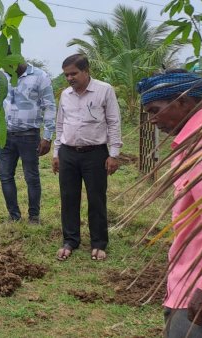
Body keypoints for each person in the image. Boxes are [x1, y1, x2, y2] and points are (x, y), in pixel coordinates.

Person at [137, 70, 202, 337]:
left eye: (155, 110)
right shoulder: (190, 142)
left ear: (183, 101)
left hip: (200, 289)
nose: (152, 120)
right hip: (187, 278)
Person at [52, 54, 122, 262]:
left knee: (97, 198)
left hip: (95, 153)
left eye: (74, 73)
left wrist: (114, 154)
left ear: (86, 71)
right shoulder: (65, 95)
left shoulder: (104, 90)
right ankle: (70, 240)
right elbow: (60, 124)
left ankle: (99, 243)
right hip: (68, 152)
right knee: (68, 198)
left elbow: (114, 121)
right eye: (66, 75)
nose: (70, 78)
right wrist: (57, 153)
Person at [0, 61, 56, 223]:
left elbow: (49, 106)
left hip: (29, 136)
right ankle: (14, 215)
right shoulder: (0, 77)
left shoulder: (39, 76)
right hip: (5, 136)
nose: (6, 69)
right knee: (5, 176)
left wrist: (47, 136)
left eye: (9, 65)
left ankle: (34, 216)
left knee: (31, 177)